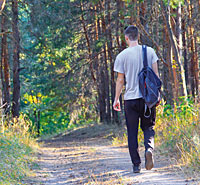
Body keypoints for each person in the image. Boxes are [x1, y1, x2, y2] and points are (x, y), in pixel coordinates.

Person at [113, 25, 159, 173]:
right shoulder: (150, 51)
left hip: (130, 100)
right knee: (148, 127)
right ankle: (149, 149)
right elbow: (156, 77)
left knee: (132, 131)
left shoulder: (122, 56)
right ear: (138, 36)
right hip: (147, 99)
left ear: (127, 38)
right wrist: (156, 96)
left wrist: (116, 99)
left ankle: (136, 165)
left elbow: (120, 80)